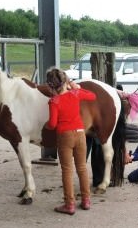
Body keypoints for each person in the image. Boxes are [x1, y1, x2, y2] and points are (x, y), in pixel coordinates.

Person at [45, 68, 96, 215]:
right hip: (80, 134)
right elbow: (92, 96)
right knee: (82, 168)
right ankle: (86, 200)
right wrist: (76, 87)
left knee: (67, 170)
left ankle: (69, 204)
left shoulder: (54, 101)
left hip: (64, 136)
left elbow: (53, 124)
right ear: (65, 81)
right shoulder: (75, 93)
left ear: (51, 85)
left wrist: (46, 126)